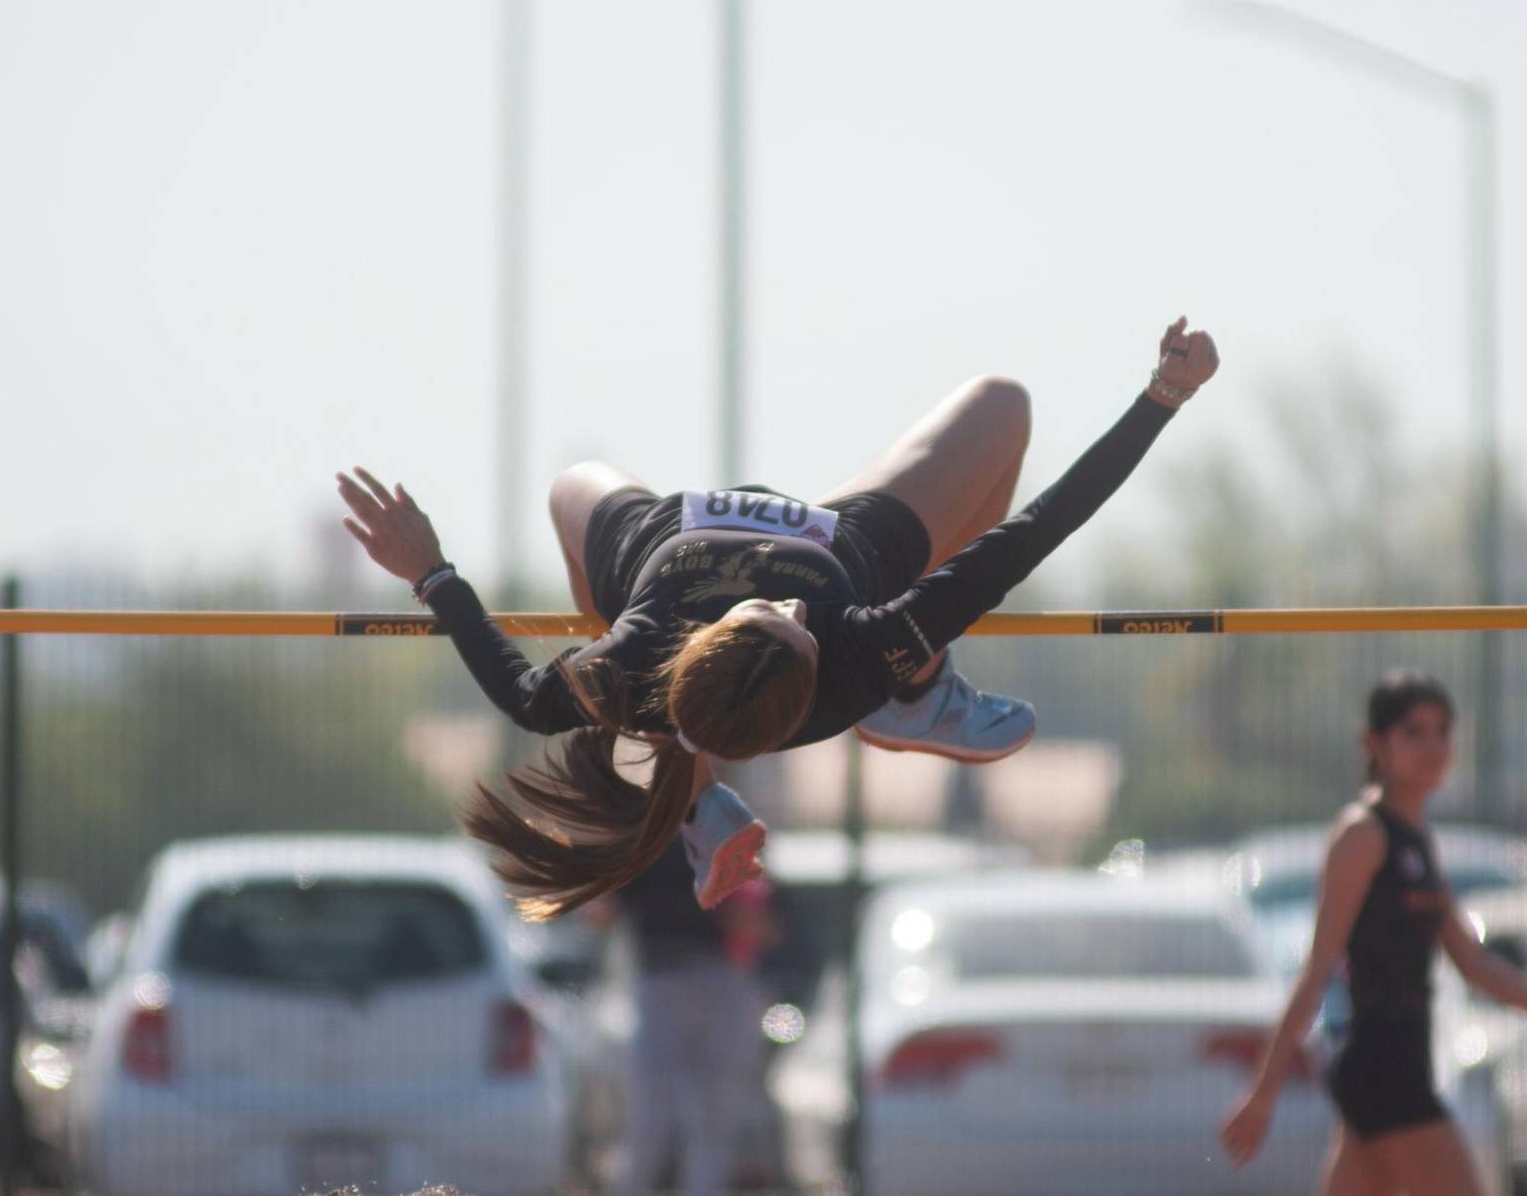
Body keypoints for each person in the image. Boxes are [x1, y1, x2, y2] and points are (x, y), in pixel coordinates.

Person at [337, 316, 1219, 917]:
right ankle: (918, 695)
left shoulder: (636, 654)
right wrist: (1162, 400)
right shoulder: (862, 643)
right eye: (802, 621)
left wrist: (433, 572)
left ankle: (694, 797)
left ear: (707, 645)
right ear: (822, 658)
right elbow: (1043, 525)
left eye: (774, 614)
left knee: (570, 484)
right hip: (850, 539)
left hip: (655, 535)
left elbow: (521, 693)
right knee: (1005, 407)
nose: (793, 601)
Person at [1218, 671, 1527, 1196]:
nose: (1434, 747)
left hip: (1396, 1065)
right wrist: (1264, 1094)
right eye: (1414, 733)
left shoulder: (1416, 840)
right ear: (1375, 743)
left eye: (1443, 731)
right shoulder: (1362, 835)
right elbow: (1317, 968)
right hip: (1384, 1070)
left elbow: (1477, 966)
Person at [592, 842, 776, 1196]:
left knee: (682, 1116)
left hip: (698, 979)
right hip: (688, 981)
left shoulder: (690, 834)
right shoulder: (712, 831)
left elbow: (602, 914)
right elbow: (605, 911)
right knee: (676, 1118)